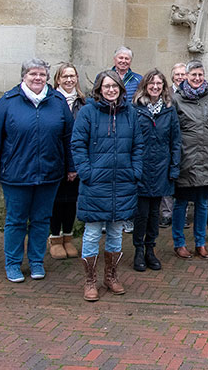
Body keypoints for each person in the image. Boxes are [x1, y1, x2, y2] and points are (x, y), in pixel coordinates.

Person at [0, 58, 74, 283]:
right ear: (24, 76)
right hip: (16, 174)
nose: (38, 78)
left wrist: (72, 166)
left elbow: (69, 138)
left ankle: (37, 262)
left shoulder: (57, 101)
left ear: (48, 77)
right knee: (16, 220)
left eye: (42, 74)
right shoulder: (9, 101)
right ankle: (12, 263)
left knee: (41, 220)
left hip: (49, 173)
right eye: (33, 74)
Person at [71, 71, 143, 301]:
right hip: (96, 183)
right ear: (99, 89)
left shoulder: (130, 113)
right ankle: (90, 280)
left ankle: (111, 276)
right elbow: (78, 145)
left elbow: (138, 146)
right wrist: (86, 172)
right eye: (106, 86)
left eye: (115, 86)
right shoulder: (88, 112)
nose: (111, 90)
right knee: (92, 234)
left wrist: (135, 172)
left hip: (123, 182)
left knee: (115, 233)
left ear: (121, 88)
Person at [171, 61, 208, 258]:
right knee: (181, 203)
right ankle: (179, 243)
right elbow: (172, 132)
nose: (197, 78)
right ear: (186, 76)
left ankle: (200, 242)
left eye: (200, 75)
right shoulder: (176, 100)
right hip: (185, 159)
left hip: (207, 159)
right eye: (193, 75)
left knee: (203, 203)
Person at [132, 69, 181, 272]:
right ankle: (138, 250)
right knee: (141, 213)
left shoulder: (169, 110)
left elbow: (176, 141)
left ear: (164, 87)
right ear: (145, 85)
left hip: (161, 168)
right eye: (151, 83)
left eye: (159, 84)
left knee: (155, 213)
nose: (155, 87)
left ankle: (150, 250)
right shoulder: (135, 109)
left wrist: (174, 167)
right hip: (141, 169)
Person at [48, 63, 86, 260]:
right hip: (55, 157)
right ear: (58, 79)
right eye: (65, 76)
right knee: (56, 200)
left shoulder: (83, 102)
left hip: (77, 158)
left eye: (72, 76)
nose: (69, 80)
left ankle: (68, 237)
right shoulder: (51, 99)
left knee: (71, 200)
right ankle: (55, 237)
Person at [159, 62, 188, 228]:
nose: (180, 77)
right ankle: (166, 214)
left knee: (182, 179)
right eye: (177, 75)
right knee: (167, 177)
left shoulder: (190, 93)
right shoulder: (165, 93)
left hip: (185, 142)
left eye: (183, 74)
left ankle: (180, 215)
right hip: (167, 141)